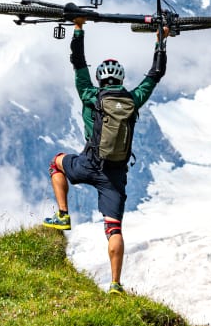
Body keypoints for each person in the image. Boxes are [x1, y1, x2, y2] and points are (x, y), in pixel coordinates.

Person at [43, 17, 168, 294]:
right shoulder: (134, 99)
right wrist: (162, 40)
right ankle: (115, 284)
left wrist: (78, 27)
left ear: (100, 78)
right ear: (121, 79)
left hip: (89, 164)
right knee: (114, 229)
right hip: (115, 175)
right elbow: (154, 75)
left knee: (57, 162)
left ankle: (63, 214)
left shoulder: (90, 95)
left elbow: (78, 62)